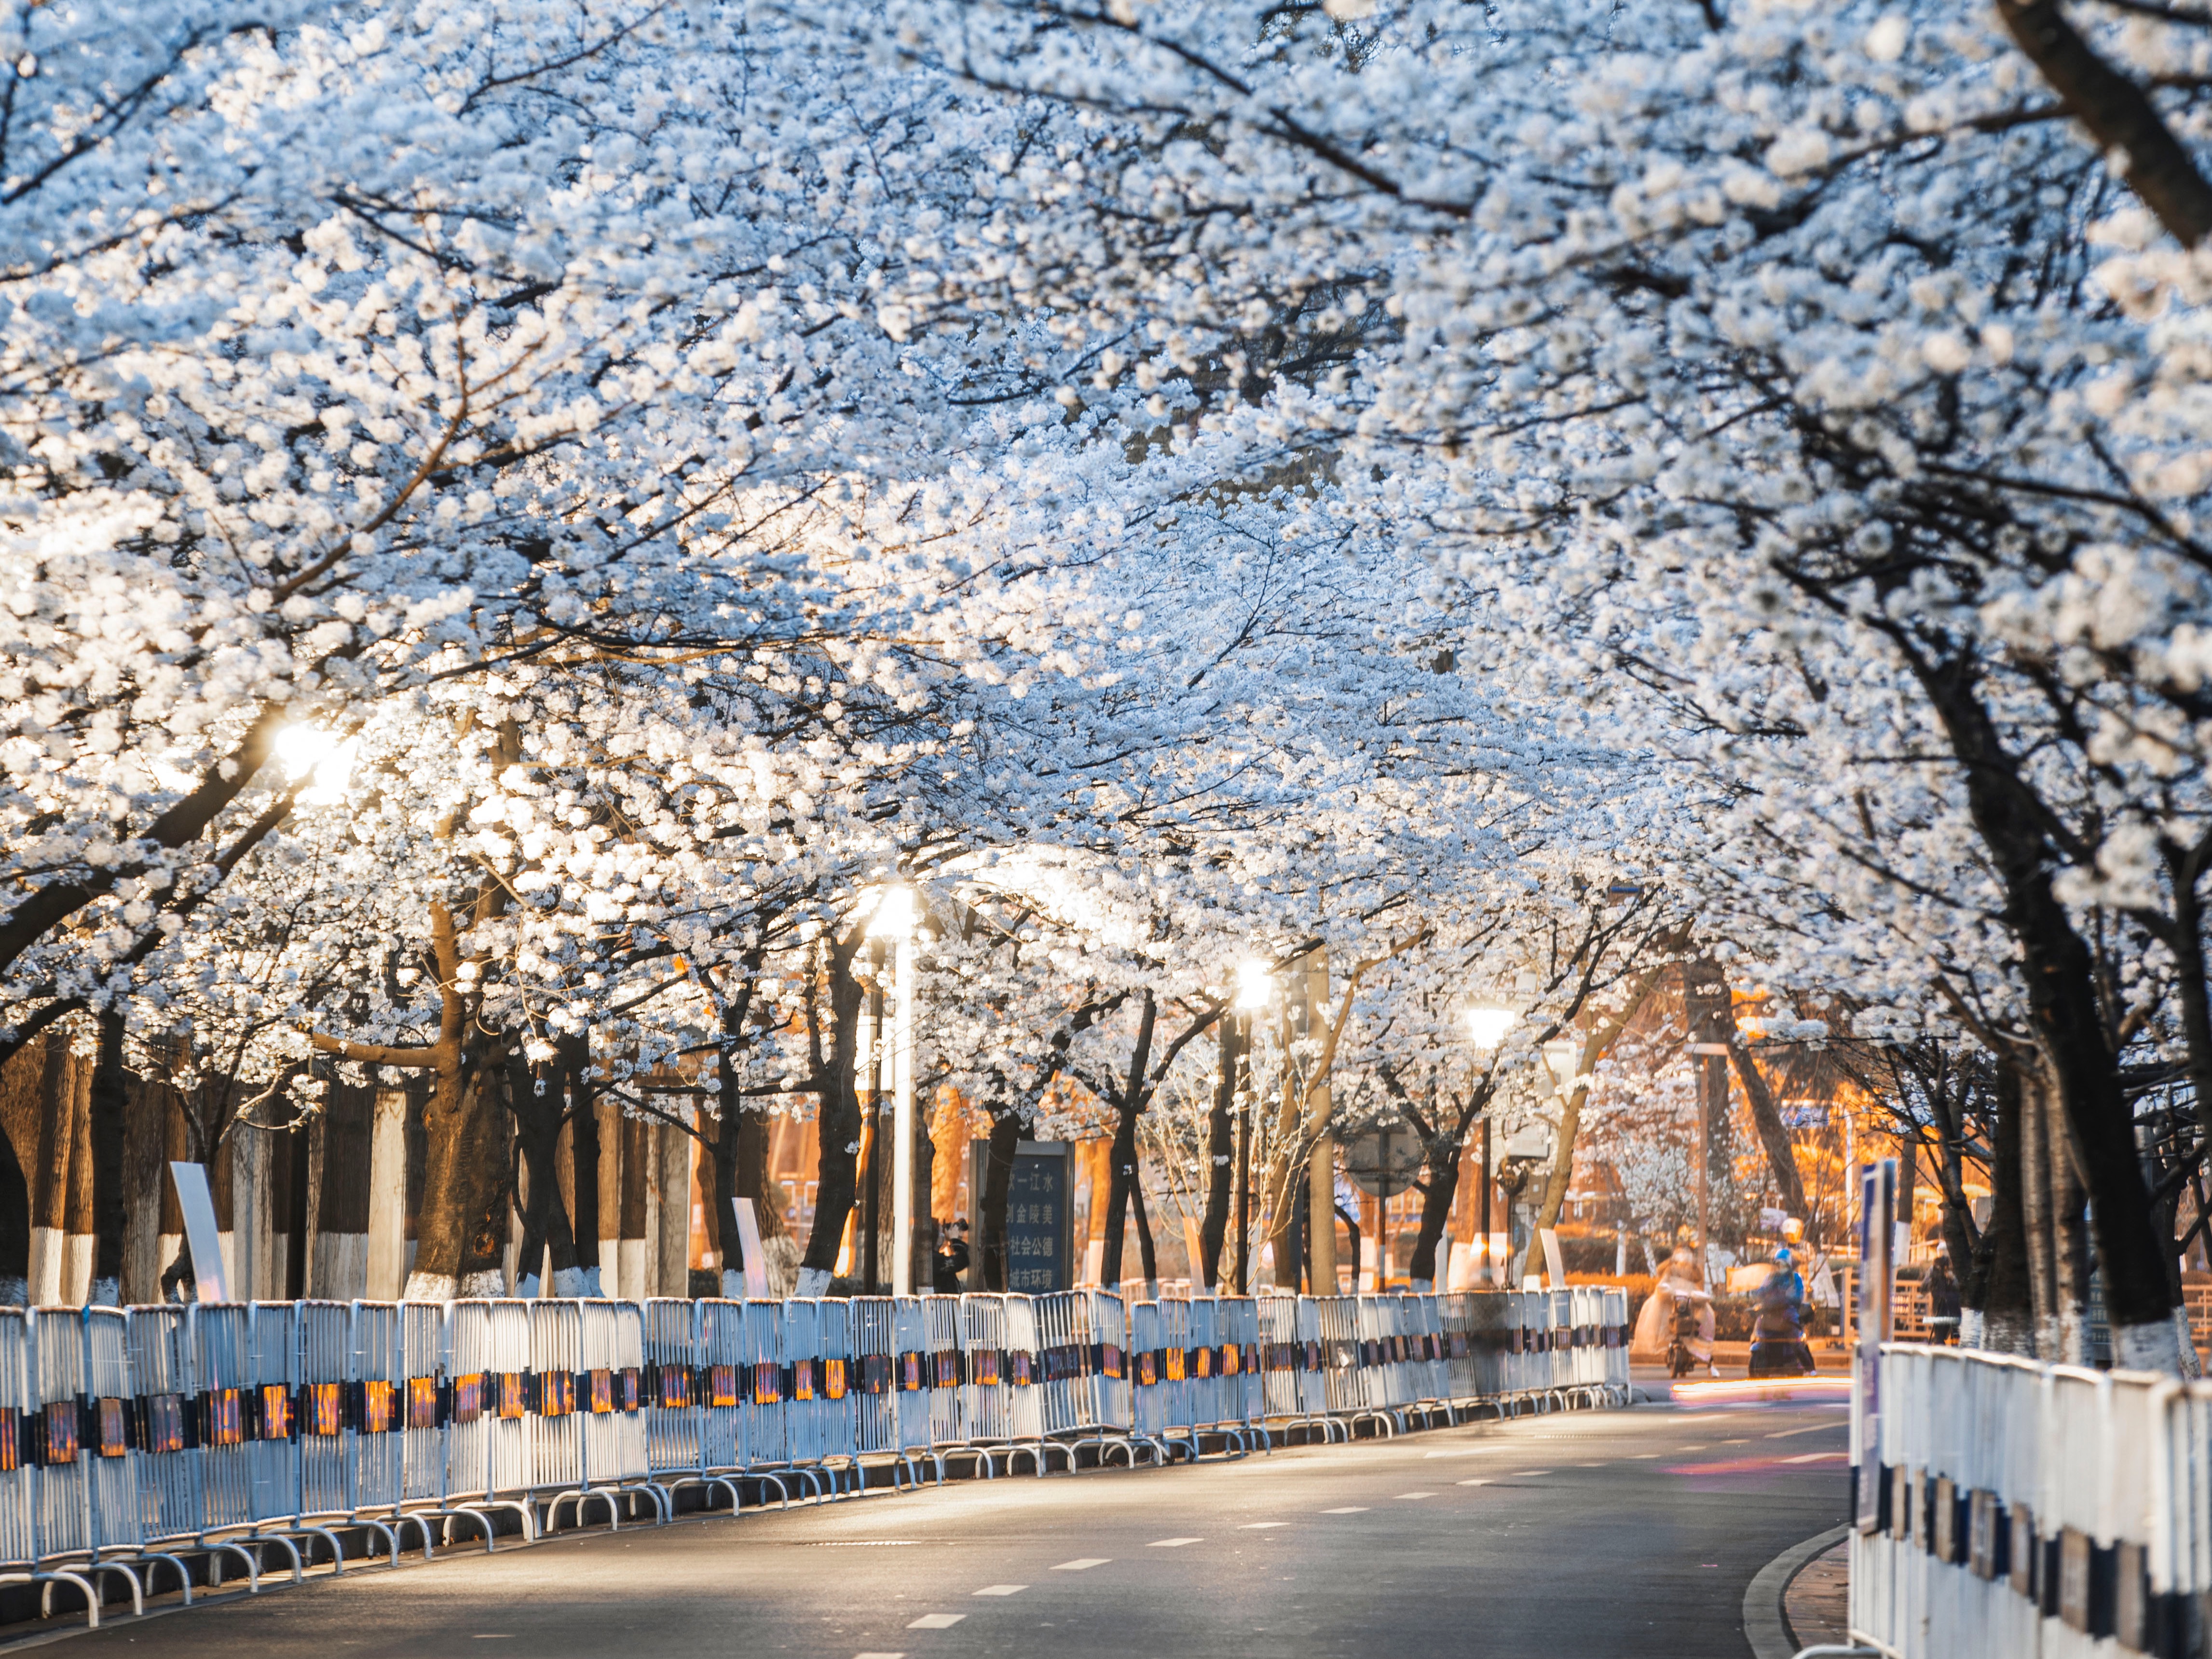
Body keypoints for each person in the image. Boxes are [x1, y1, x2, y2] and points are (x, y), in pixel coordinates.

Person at [1748, 1246, 1815, 1377]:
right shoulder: (1771, 1278)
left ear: (1789, 1265)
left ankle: (1809, 1368)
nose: (1780, 1267)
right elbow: (1762, 1291)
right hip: (1770, 1316)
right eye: (1778, 1264)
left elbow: (1798, 1297)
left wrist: (1787, 1298)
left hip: (1788, 1316)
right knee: (1760, 1337)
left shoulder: (1795, 1278)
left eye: (1783, 1264)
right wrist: (1757, 1293)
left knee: (1796, 1343)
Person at [1925, 1249, 1962, 1345]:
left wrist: (1953, 1279)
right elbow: (1924, 1288)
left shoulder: (1955, 1272)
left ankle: (1955, 1354)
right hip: (1940, 1310)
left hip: (1954, 1309)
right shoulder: (1933, 1273)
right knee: (1940, 1339)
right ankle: (1940, 1354)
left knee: (1956, 1338)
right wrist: (1933, 1281)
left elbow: (1962, 1287)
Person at [934, 1217, 971, 1292]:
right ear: (934, 1237)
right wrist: (955, 1240)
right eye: (941, 1233)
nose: (943, 1236)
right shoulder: (934, 1260)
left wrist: (953, 1242)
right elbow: (963, 1261)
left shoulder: (935, 1258)